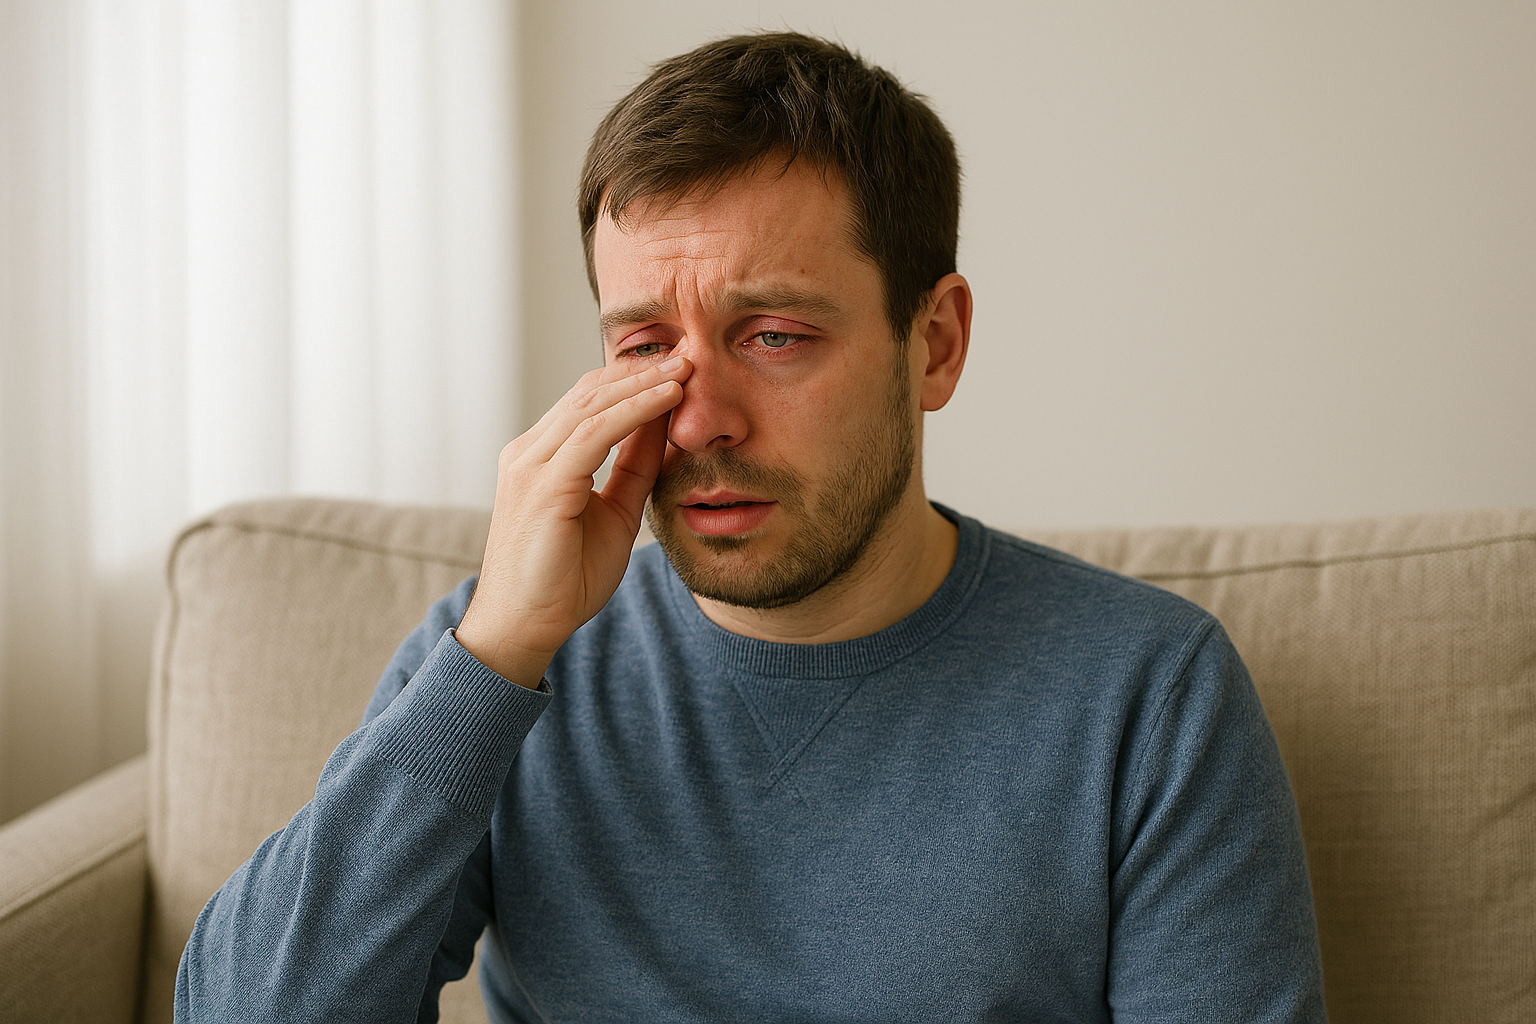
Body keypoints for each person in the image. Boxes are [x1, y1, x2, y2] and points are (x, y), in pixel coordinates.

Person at [175, 31, 1327, 1023]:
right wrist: (493, 655)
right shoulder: (494, 666)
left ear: (934, 343)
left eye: (773, 334)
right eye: (644, 347)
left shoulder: (1149, 692)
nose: (700, 420)